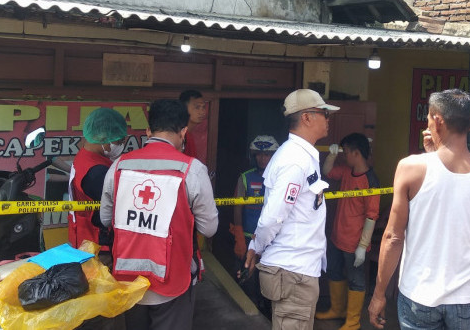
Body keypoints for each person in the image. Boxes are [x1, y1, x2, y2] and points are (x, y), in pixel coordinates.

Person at [368, 89, 470, 330]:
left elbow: (393, 236)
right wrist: (432, 155)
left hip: (420, 294)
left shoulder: (410, 167)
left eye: (429, 117)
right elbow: (457, 213)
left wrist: (379, 293)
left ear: (437, 121)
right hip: (469, 297)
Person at [100, 99, 218, 329]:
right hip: (173, 280)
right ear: (183, 132)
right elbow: (209, 228)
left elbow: (106, 219)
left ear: (148, 131)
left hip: (128, 279)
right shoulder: (191, 169)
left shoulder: (118, 166)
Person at [244, 88, 339, 330]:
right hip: (293, 273)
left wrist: (257, 246)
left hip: (297, 270)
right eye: (324, 113)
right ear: (307, 117)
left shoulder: (302, 155)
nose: (328, 119)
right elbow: (271, 218)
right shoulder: (295, 160)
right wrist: (257, 246)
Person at [316, 133, 380, 330]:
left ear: (356, 153)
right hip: (337, 237)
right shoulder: (346, 171)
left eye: (346, 152)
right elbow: (327, 172)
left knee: (356, 280)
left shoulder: (371, 180)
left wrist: (362, 246)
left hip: (354, 243)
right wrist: (332, 155)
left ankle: (353, 322)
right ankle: (338, 310)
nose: (344, 156)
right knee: (334, 272)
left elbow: (372, 216)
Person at [230, 135, 279, 315]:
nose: (262, 159)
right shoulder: (245, 177)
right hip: (248, 238)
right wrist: (239, 237)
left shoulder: (280, 178)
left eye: (267, 155)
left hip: (272, 240)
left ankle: (267, 312)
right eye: (259, 155)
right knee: (247, 280)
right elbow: (236, 208)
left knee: (269, 281)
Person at [68, 107, 127, 254]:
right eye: (119, 140)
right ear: (102, 137)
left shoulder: (84, 157)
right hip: (98, 244)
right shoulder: (96, 171)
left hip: (84, 238)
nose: (120, 145)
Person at [178, 89, 207, 158]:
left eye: (203, 107)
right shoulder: (180, 136)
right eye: (197, 107)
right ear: (184, 108)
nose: (202, 112)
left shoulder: (188, 134)